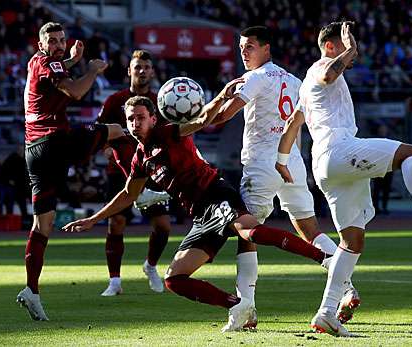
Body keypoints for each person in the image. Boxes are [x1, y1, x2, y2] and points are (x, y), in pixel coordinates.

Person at [62, 95, 335, 333]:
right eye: (131, 119)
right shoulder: (140, 159)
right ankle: (239, 307)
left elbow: (202, 120)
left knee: (251, 232)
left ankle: (325, 259)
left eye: (140, 118)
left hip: (216, 194)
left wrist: (220, 98)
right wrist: (93, 219)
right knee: (174, 279)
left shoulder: (169, 133)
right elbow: (128, 194)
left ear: (153, 119)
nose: (135, 123)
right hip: (202, 216)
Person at [276, 22, 412, 337]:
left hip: (325, 167)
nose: (352, 55)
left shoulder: (304, 87)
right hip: (339, 152)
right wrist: (350, 47)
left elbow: (290, 128)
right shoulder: (321, 69)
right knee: (411, 153)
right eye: (344, 46)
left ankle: (326, 313)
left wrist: (282, 162)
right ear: (330, 47)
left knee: (351, 243)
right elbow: (330, 73)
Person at [209, 26, 357, 328]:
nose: (244, 52)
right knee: (309, 229)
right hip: (291, 163)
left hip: (262, 164)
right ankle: (345, 284)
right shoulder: (294, 80)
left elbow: (224, 116)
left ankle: (245, 308)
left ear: (267, 49)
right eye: (241, 47)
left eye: (250, 46)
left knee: (247, 232)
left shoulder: (253, 78)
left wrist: (208, 108)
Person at [16, 22, 126, 321]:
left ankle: (32, 290)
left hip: (34, 151)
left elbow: (57, 69)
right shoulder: (48, 61)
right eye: (52, 40)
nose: (59, 44)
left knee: (42, 226)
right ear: (41, 43)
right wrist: (90, 70)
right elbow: (76, 91)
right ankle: (144, 176)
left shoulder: (37, 62)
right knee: (119, 130)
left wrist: (72, 61)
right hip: (56, 141)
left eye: (62, 40)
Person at [96, 49, 173, 296]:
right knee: (116, 223)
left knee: (163, 226)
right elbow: (99, 131)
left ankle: (150, 266)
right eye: (137, 67)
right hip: (119, 171)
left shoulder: (159, 103)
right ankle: (115, 282)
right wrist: (106, 147)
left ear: (152, 72)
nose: (141, 71)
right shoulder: (114, 101)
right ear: (129, 70)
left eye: (146, 67)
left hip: (150, 171)